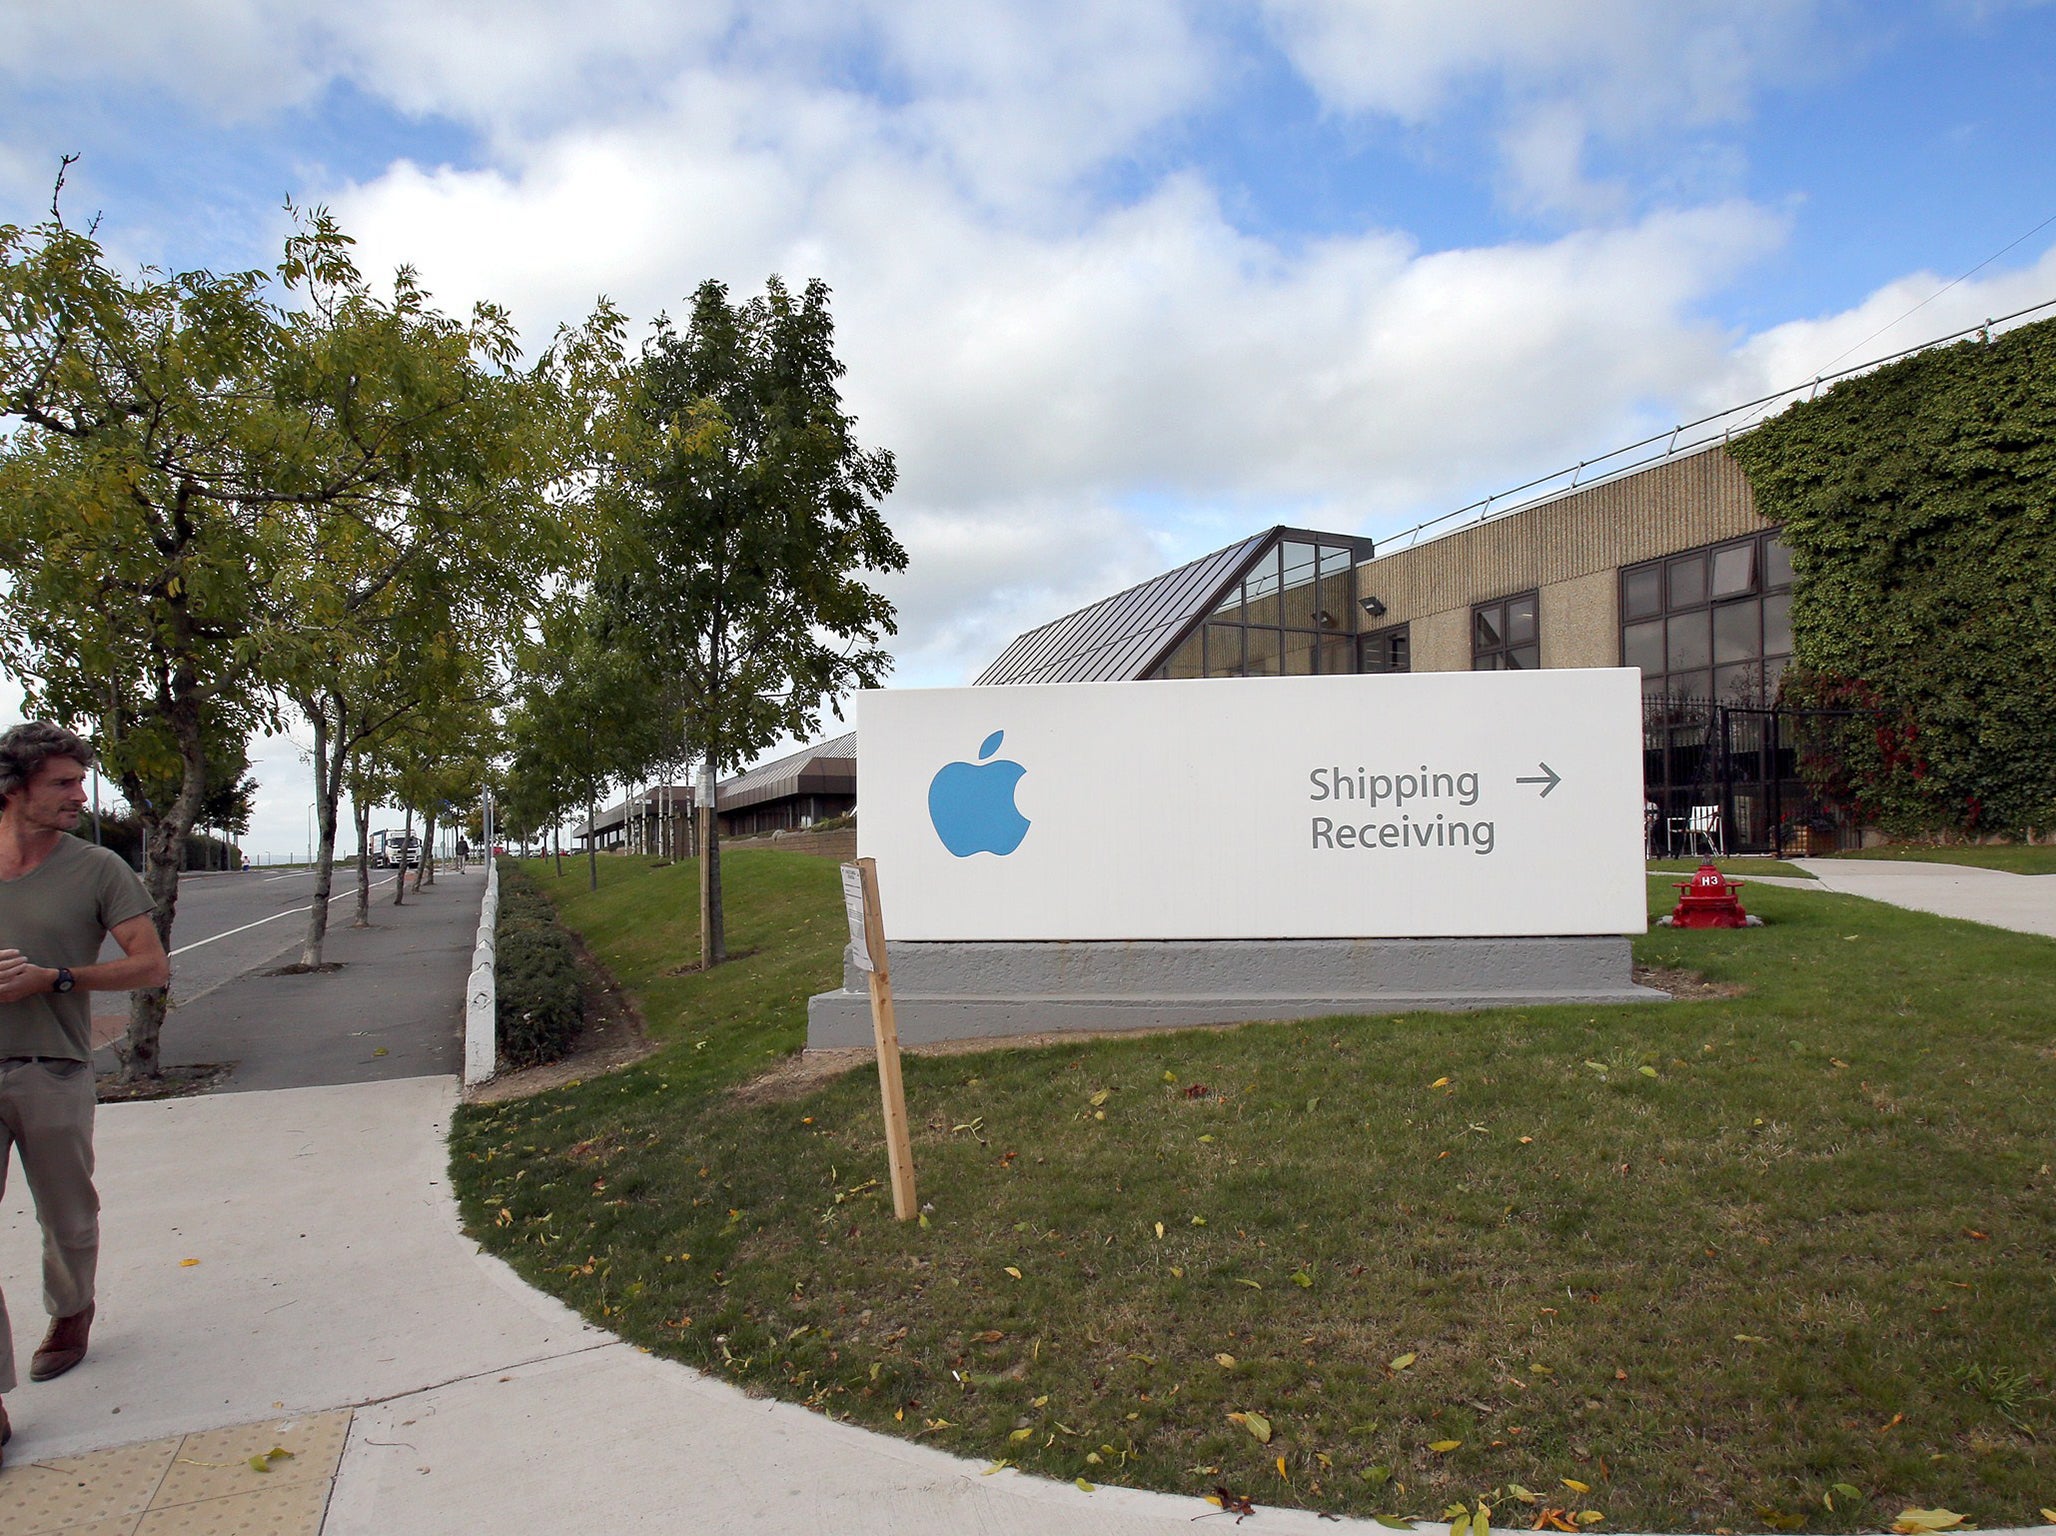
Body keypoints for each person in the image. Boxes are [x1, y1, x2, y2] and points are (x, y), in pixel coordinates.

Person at [0, 723, 169, 1467]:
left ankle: (71, 1311)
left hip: (52, 1064)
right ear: (15, 788)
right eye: (63, 783)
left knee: (67, 1215)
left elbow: (151, 967)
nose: (80, 795)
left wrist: (57, 978)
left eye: (81, 781)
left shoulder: (97, 869)